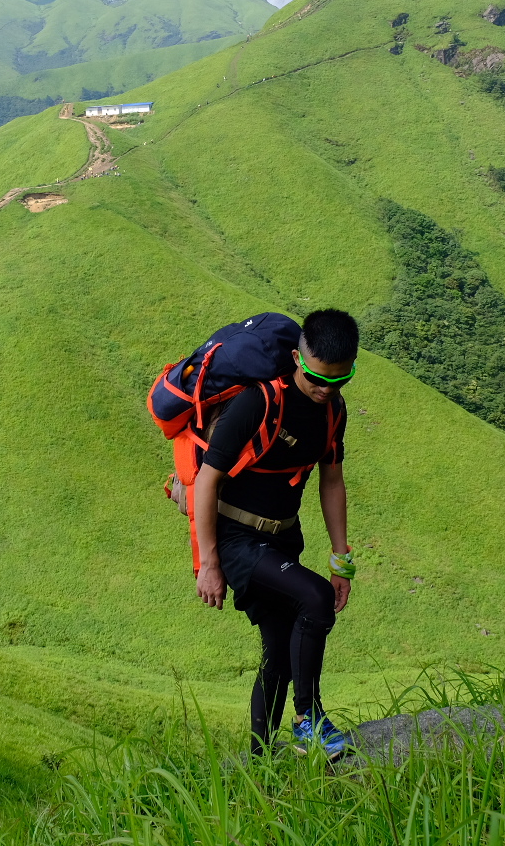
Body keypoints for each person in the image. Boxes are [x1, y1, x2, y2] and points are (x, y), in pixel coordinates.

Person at [191, 308, 359, 758]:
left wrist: (340, 559)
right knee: (316, 598)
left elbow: (332, 480)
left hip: (282, 538)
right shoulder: (261, 402)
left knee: (280, 658)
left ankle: (259, 758)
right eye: (317, 378)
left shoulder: (332, 413)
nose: (326, 390)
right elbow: (207, 480)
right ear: (297, 359)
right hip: (236, 539)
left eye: (339, 381)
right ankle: (308, 719)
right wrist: (208, 563)